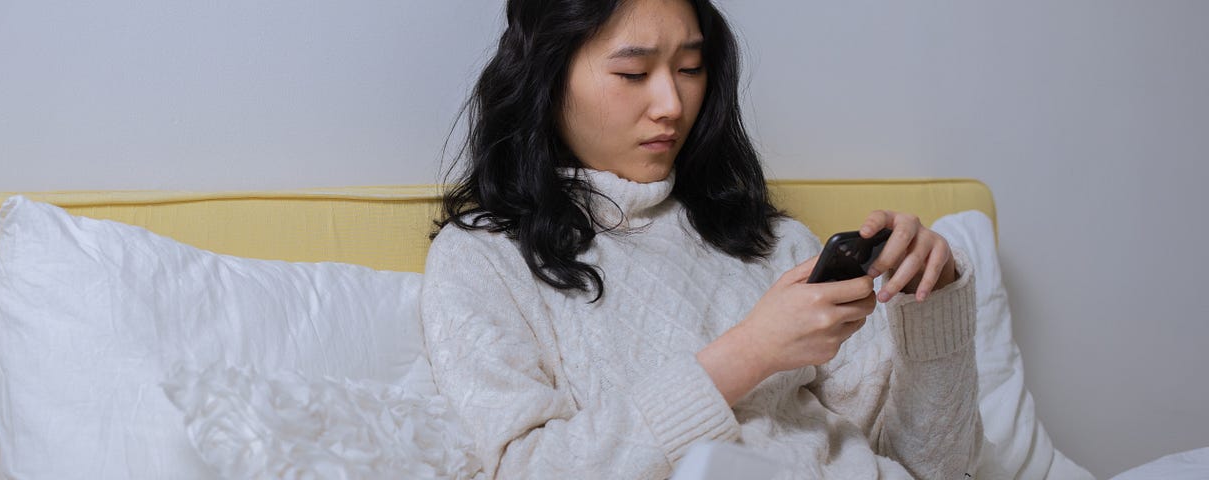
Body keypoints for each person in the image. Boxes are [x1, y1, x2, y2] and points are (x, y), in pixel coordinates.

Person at [421, 0, 983, 478]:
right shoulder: (483, 260)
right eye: (633, 74)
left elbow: (930, 466)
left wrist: (930, 302)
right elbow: (527, 469)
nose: (671, 105)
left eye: (690, 68)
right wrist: (750, 353)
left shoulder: (771, 241)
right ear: (547, 78)